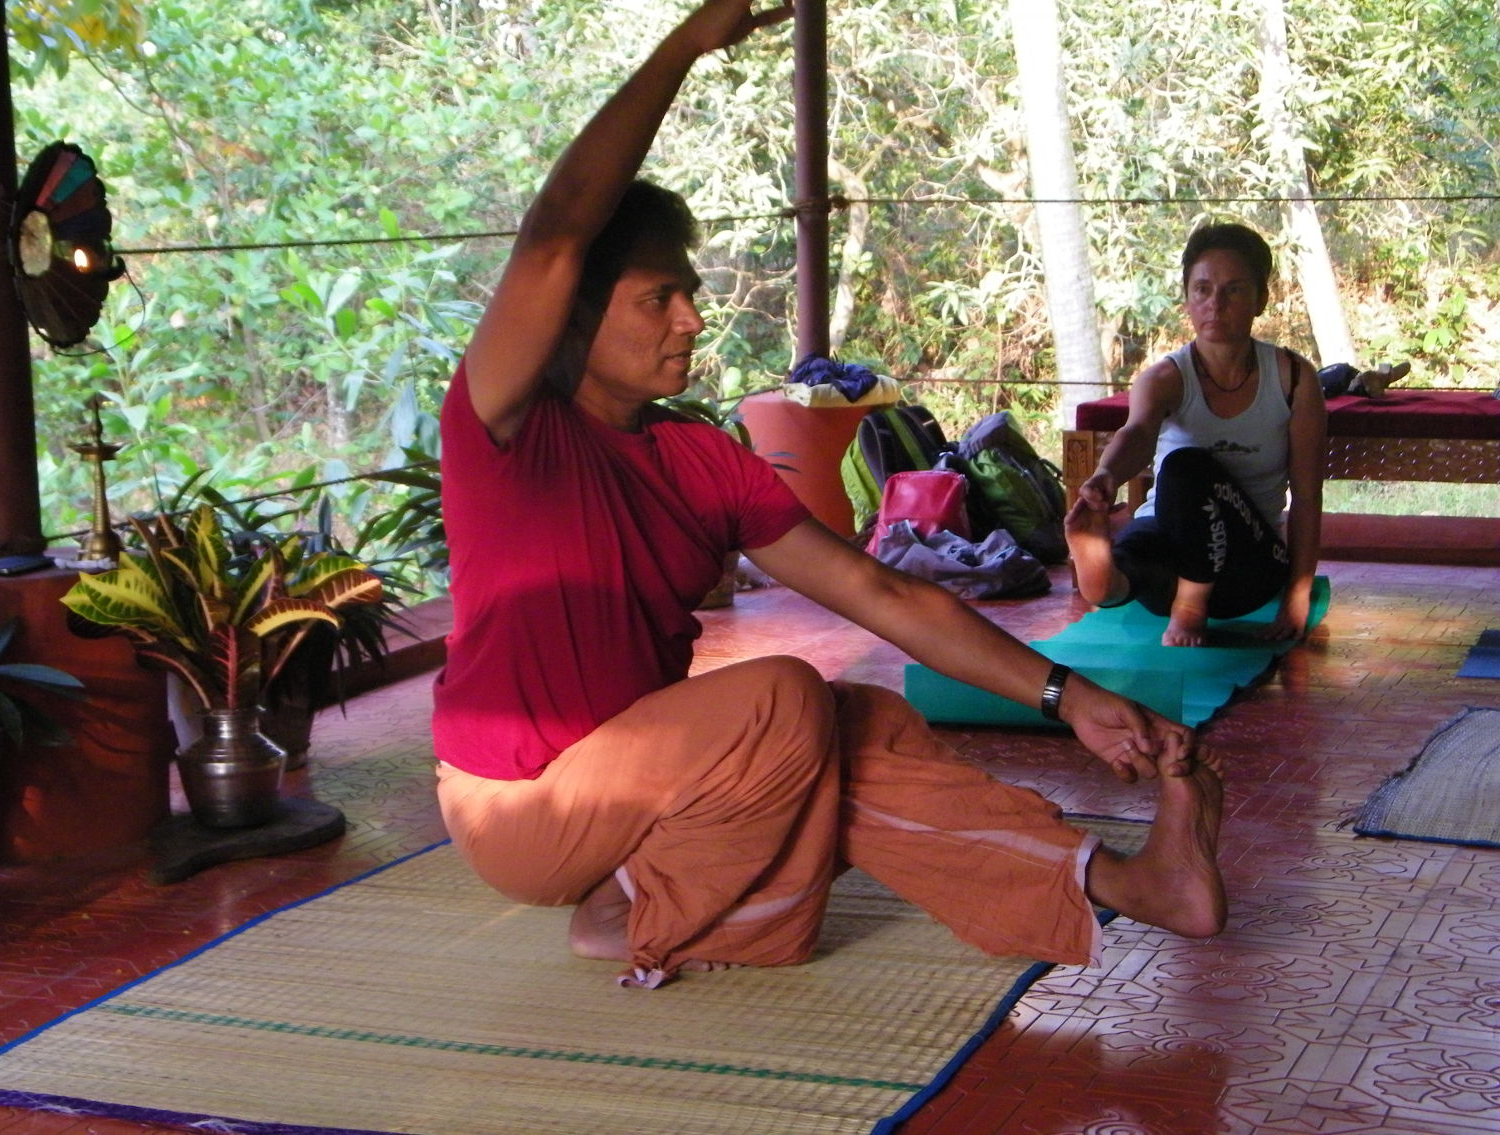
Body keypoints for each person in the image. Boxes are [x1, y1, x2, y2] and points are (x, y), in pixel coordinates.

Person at [432, 0, 1227, 991]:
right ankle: (636, 910)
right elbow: (556, 234)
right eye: (657, 298)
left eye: (688, 289)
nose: (691, 315)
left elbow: (886, 598)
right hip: (524, 802)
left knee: (857, 726)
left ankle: (1128, 879)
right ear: (577, 315)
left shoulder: (699, 456)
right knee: (780, 704)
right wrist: (685, 45)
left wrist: (1069, 697)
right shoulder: (504, 427)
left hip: (653, 770)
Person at [1065, 223, 1328, 647]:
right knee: (1142, 549)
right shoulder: (1165, 378)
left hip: (1246, 569)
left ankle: (1191, 603)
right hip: (1169, 548)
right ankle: (1107, 580)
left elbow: (1308, 493)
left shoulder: (1293, 379)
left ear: (1261, 298)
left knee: (1187, 466)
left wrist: (1296, 593)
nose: (1215, 304)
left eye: (1234, 290)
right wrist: (1107, 476)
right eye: (1202, 289)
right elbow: (1138, 431)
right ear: (1187, 298)